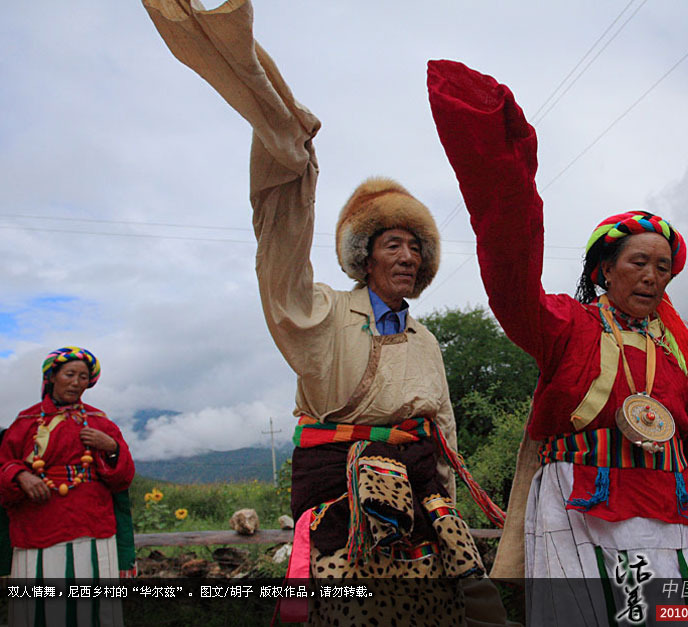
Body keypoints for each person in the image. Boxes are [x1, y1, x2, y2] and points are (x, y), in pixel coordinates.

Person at [143, 2, 509, 625]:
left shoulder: (425, 340)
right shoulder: (321, 317)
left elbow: (442, 430)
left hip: (421, 502)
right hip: (344, 497)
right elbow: (280, 258)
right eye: (393, 243)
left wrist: (444, 498)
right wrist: (294, 173)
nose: (408, 255)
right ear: (365, 257)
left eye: (416, 246)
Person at [427, 60, 688, 625]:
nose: (652, 276)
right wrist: (505, 175)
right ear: (603, 272)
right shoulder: (568, 326)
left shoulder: (677, 354)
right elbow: (511, 270)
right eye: (638, 262)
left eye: (663, 267)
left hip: (673, 510)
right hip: (580, 504)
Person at [0, 347, 135, 627]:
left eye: (83, 377)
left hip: (93, 524)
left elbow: (123, 478)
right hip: (40, 523)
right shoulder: (25, 422)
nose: (76, 382)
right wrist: (22, 477)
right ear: (52, 377)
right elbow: (4, 464)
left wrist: (111, 447)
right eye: (69, 374)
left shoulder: (100, 422)